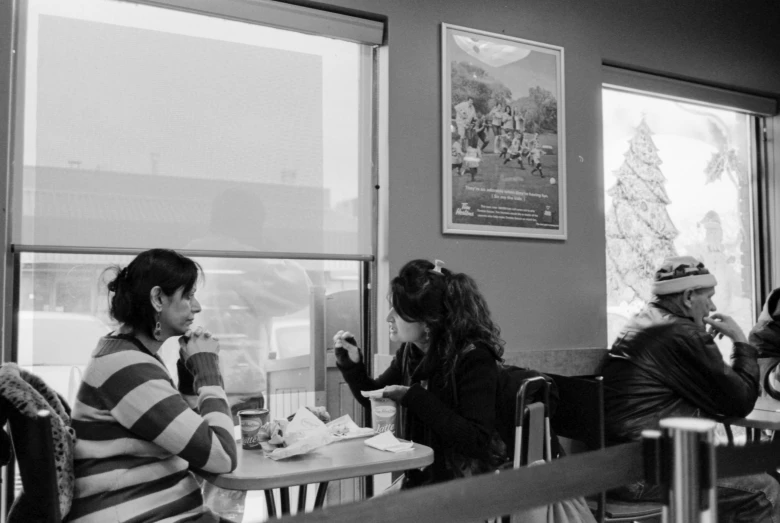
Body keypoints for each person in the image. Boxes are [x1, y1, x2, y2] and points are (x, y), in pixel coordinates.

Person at [602, 255, 780, 522]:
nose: (712, 307)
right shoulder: (683, 333)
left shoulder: (642, 323)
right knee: (766, 490)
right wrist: (741, 342)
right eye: (708, 297)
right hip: (645, 472)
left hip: (617, 466)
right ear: (687, 297)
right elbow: (740, 401)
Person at [68, 249, 237, 523]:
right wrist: (208, 372)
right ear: (158, 298)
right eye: (188, 295)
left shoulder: (126, 354)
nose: (197, 307)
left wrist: (188, 377)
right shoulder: (127, 367)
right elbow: (221, 456)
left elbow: (189, 441)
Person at [333, 259, 506, 489]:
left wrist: (413, 397)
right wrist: (353, 365)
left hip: (463, 490)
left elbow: (476, 441)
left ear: (427, 322)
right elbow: (376, 400)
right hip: (422, 481)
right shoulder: (410, 353)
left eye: (399, 311)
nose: (389, 317)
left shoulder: (473, 357)